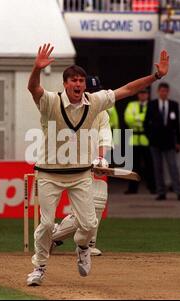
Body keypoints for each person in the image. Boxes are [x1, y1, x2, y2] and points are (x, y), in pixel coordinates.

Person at [26, 43, 169, 286]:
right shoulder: (51, 102)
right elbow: (34, 88)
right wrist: (36, 69)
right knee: (47, 224)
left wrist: (156, 76)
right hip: (49, 173)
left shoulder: (95, 102)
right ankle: (39, 267)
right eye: (74, 80)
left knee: (90, 224)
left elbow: (127, 89)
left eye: (81, 80)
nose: (79, 84)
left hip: (80, 174)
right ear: (65, 84)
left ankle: (82, 246)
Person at [51, 75, 112, 257]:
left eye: (96, 91)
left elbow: (104, 135)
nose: (94, 94)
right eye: (90, 91)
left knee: (99, 195)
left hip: (91, 163)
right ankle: (53, 235)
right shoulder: (70, 108)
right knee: (85, 210)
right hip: (71, 165)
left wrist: (101, 158)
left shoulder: (102, 112)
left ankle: (87, 243)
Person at [144, 82, 180, 201]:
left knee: (173, 166)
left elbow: (177, 125)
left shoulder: (173, 105)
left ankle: (179, 191)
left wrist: (178, 141)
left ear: (168, 92)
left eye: (165, 91)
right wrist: (150, 137)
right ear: (158, 92)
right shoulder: (152, 104)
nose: (163, 93)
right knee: (158, 168)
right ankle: (161, 191)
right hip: (155, 141)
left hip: (169, 141)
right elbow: (146, 123)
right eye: (161, 91)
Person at [124, 88, 156, 194]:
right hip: (134, 139)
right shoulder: (132, 105)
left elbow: (151, 120)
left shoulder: (151, 106)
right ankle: (132, 188)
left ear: (147, 95)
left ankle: (152, 187)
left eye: (144, 93)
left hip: (146, 139)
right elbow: (128, 119)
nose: (142, 95)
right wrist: (141, 120)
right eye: (141, 93)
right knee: (133, 166)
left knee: (150, 165)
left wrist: (136, 119)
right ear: (138, 95)